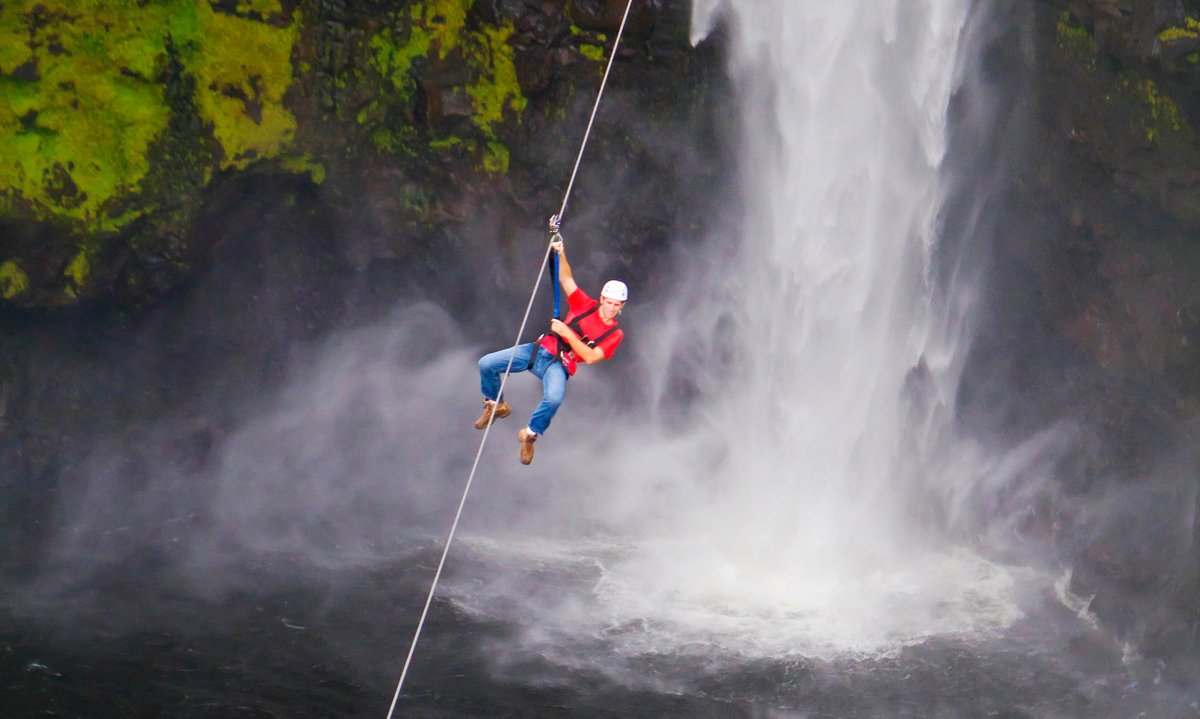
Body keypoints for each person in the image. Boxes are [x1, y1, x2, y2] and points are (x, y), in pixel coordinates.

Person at [475, 240, 627, 464]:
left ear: (622, 306)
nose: (611, 308)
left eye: (617, 305)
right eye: (609, 302)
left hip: (560, 364)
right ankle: (497, 405)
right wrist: (561, 253)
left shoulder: (615, 334)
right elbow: (565, 278)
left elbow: (591, 356)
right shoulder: (586, 305)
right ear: (602, 299)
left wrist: (567, 332)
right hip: (539, 350)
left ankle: (530, 434)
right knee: (486, 364)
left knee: (554, 398)